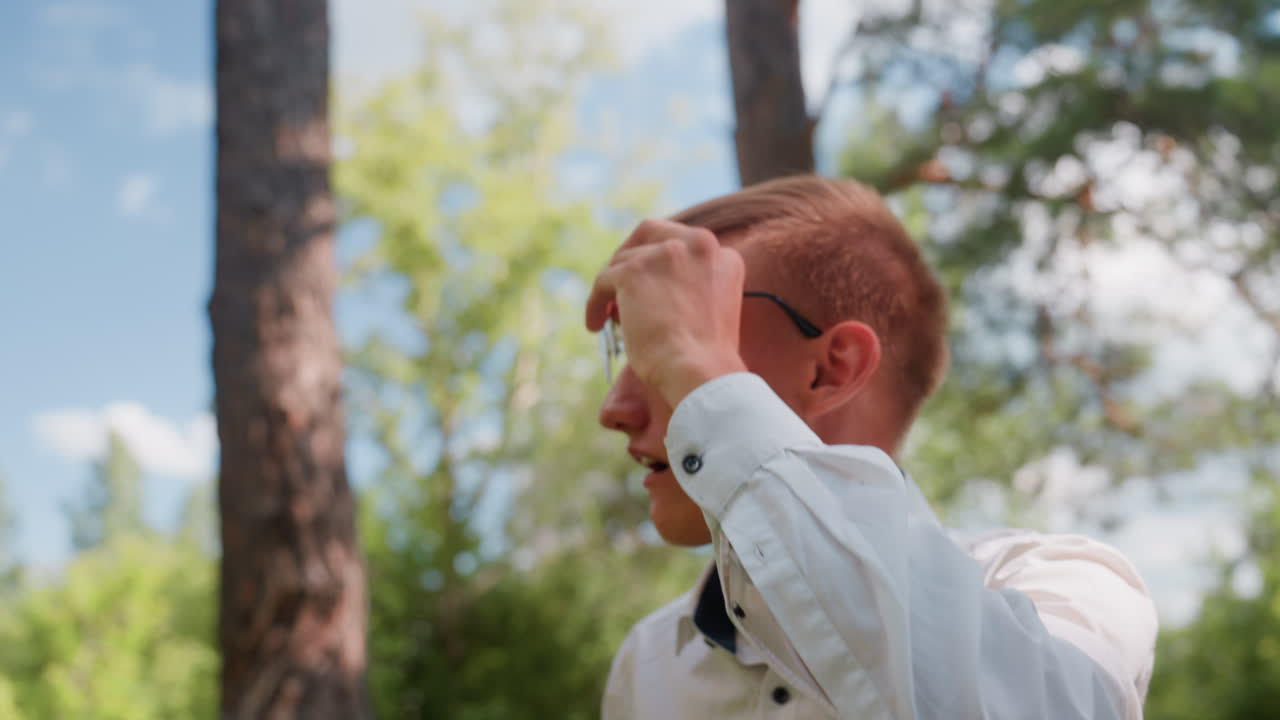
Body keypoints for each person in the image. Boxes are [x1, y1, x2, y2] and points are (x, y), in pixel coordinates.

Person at [588, 175, 1157, 720]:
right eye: (632, 347)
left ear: (832, 370)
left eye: (676, 337)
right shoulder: (648, 662)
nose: (614, 410)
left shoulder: (1064, 587)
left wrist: (700, 375)